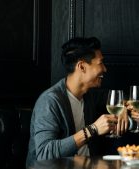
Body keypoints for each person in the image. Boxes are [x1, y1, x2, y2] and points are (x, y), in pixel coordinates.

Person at [26, 37, 130, 168]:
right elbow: (44, 153)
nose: (105, 69)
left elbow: (120, 98)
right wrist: (93, 129)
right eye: (100, 63)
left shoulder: (90, 94)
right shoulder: (49, 101)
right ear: (81, 66)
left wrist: (123, 108)